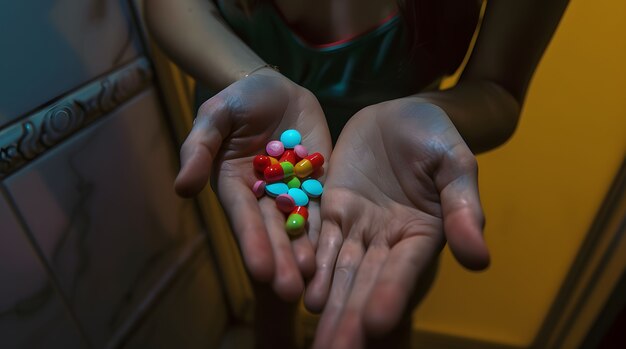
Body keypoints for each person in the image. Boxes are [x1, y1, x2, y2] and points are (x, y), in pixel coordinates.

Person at [145, 0, 569, 348]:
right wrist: (252, 78)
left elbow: (498, 89)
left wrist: (424, 116)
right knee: (274, 291)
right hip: (261, 163)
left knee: (379, 318)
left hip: (392, 185)